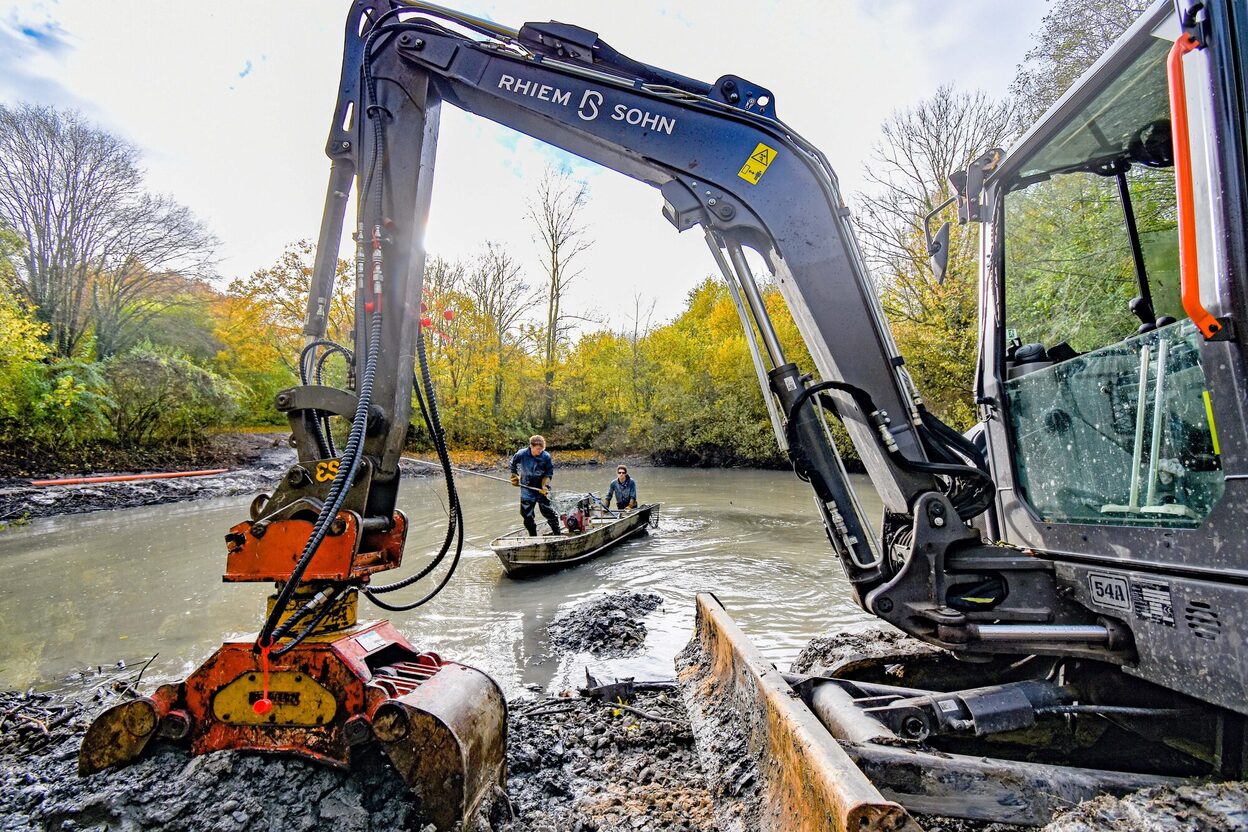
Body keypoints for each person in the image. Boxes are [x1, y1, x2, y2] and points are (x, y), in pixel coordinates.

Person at [510, 435, 561, 536]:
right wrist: (514, 475)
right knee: (526, 515)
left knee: (549, 512)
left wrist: (545, 486)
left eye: (542, 449)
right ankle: (533, 536)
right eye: (538, 449)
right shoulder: (521, 454)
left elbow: (549, 473)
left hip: (541, 488)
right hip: (527, 488)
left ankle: (558, 534)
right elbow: (512, 463)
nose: (540, 451)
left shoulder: (546, 456)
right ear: (531, 447)